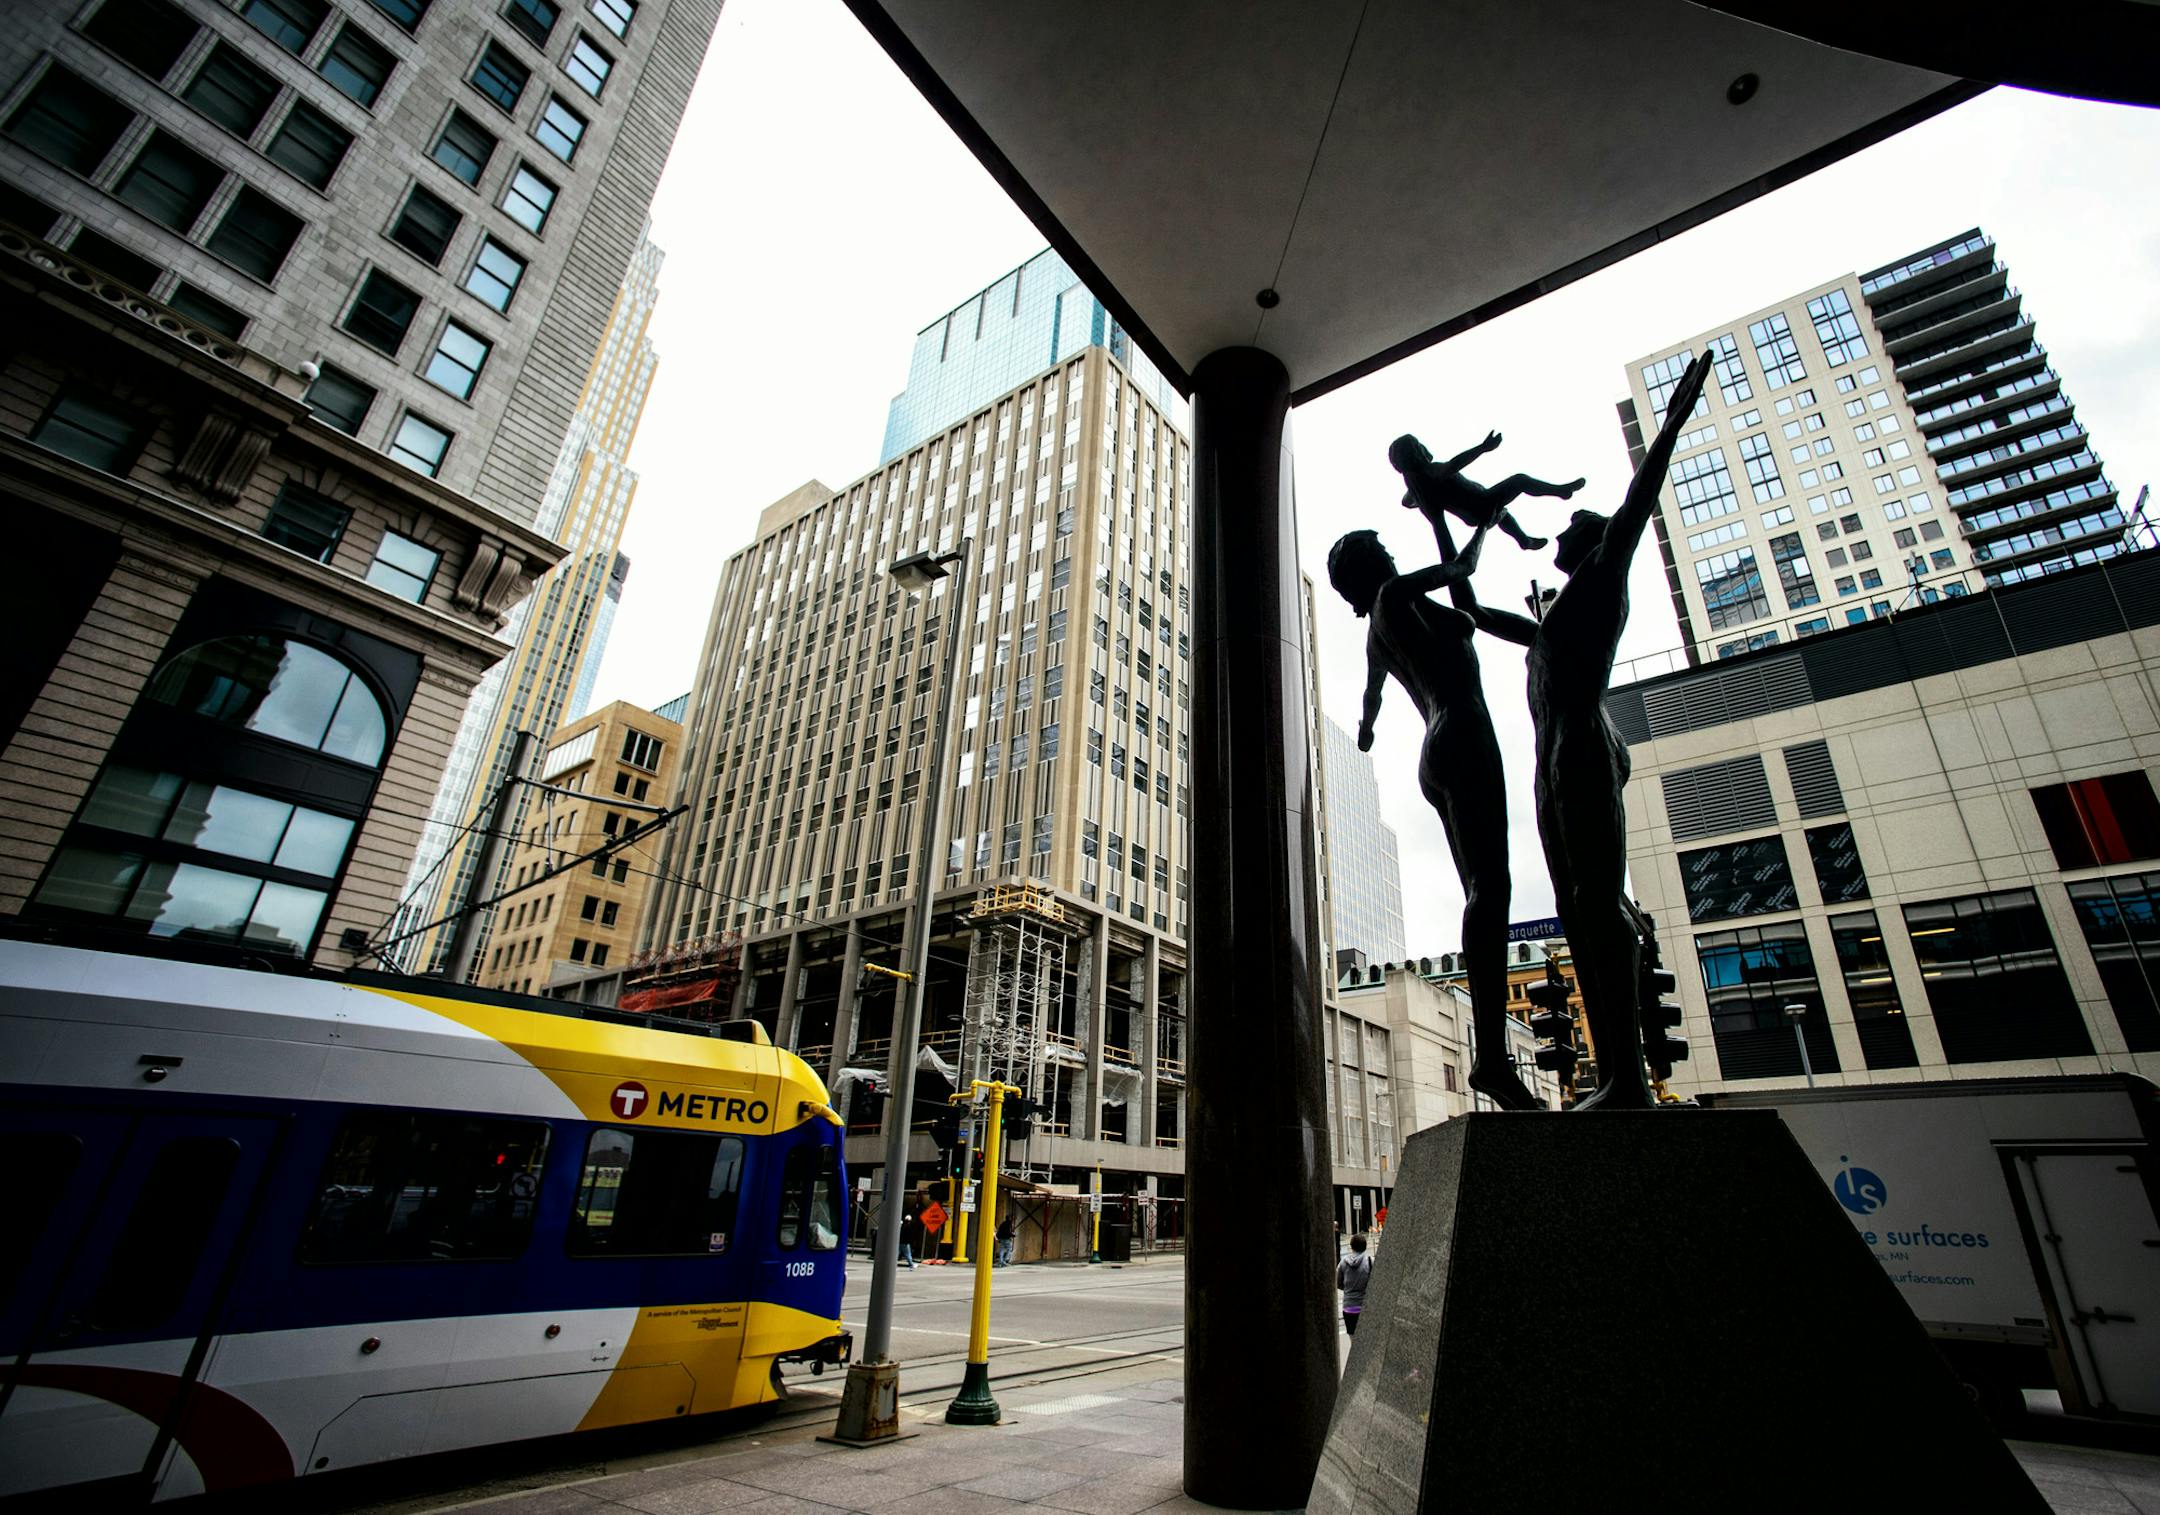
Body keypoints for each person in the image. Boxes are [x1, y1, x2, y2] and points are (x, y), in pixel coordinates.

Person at [1459, 351, 1717, 1109]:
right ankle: (1614, 1076)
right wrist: (1457, 530)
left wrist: (1667, 427)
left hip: (1580, 750)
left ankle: (1630, 1080)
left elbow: (1638, 503)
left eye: (1575, 524)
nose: (1564, 529)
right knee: (1577, 907)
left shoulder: (1603, 576)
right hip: (1555, 760)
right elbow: (1476, 612)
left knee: (1598, 902)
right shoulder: (1552, 617)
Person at [1329, 517, 1538, 1109]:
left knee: (1483, 888)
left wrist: (1368, 731)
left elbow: (1371, 701)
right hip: (1464, 732)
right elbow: (1463, 571)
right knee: (1490, 888)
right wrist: (1487, 519)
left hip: (1436, 745)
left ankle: (1493, 1056)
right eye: (1385, 550)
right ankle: (1493, 1058)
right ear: (1373, 566)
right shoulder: (1396, 595)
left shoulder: (1378, 629)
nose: (1394, 556)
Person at [1390, 430, 1584, 554]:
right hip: (1480, 501)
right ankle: (1561, 491)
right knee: (1520, 480)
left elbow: (1406, 502)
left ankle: (1524, 540)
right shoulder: (1429, 471)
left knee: (1503, 513)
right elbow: (1453, 465)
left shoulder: (1418, 482)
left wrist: (1414, 492)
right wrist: (1483, 448)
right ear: (1415, 452)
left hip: (1475, 509)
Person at [1337, 1234, 1373, 1336]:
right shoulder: (1370, 1261)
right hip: (1365, 1307)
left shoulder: (1343, 1263)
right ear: (1365, 1246)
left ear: (1351, 1246)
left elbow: (1337, 1282)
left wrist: (1348, 1289)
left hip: (1349, 1308)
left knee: (1353, 1342)